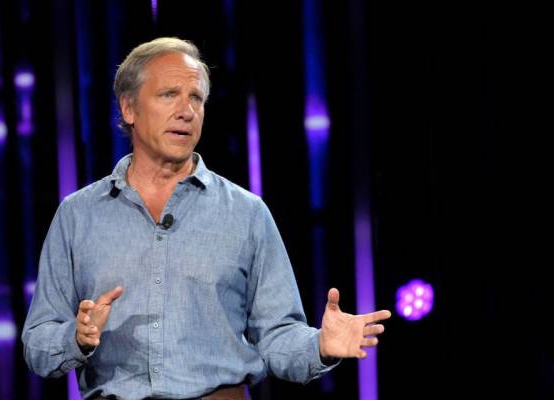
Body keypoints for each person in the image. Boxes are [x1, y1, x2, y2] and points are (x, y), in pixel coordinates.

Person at [22, 37, 391, 400]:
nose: (187, 111)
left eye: (196, 98)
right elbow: (38, 344)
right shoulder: (78, 215)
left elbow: (277, 336)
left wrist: (319, 346)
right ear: (129, 108)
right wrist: (76, 337)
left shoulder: (247, 213)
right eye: (169, 95)